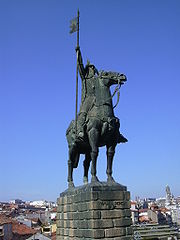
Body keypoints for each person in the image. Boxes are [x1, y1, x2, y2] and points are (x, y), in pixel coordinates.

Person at [75, 47, 99, 139]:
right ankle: (80, 130)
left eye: (93, 68)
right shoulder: (85, 78)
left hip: (98, 98)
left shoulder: (98, 79)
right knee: (83, 113)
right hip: (88, 99)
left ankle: (116, 132)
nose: (91, 69)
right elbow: (80, 66)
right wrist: (78, 53)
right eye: (90, 68)